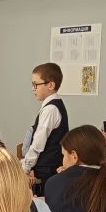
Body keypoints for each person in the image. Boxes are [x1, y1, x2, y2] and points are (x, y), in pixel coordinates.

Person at [23, 62, 69, 196]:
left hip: (47, 170)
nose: (33, 89)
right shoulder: (51, 106)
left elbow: (38, 144)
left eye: (35, 84)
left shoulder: (51, 109)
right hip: (47, 167)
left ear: (50, 85)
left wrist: (25, 167)